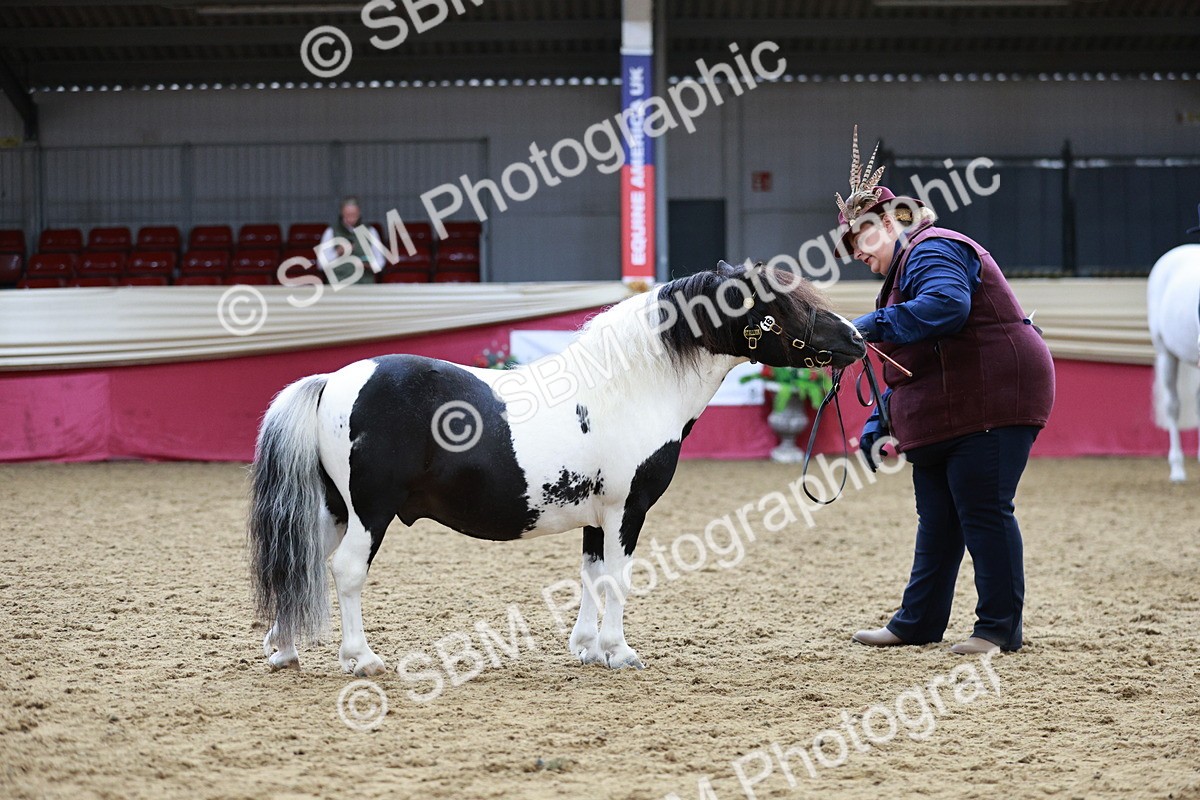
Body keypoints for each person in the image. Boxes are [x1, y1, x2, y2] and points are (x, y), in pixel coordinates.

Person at [836, 127, 1055, 655]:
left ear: (890, 223)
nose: (858, 254)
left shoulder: (935, 249)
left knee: (982, 510)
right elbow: (913, 364)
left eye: (862, 239)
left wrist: (864, 325)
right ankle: (918, 622)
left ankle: (999, 629)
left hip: (991, 401)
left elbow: (946, 308)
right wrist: (877, 423)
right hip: (956, 405)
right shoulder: (908, 268)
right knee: (938, 517)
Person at [318, 196, 385, 284]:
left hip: (364, 285)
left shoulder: (370, 231)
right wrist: (338, 252)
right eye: (347, 215)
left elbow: (380, 261)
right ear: (342, 213)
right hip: (338, 285)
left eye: (354, 215)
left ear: (359, 213)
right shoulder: (330, 232)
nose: (351, 219)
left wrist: (368, 265)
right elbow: (320, 265)